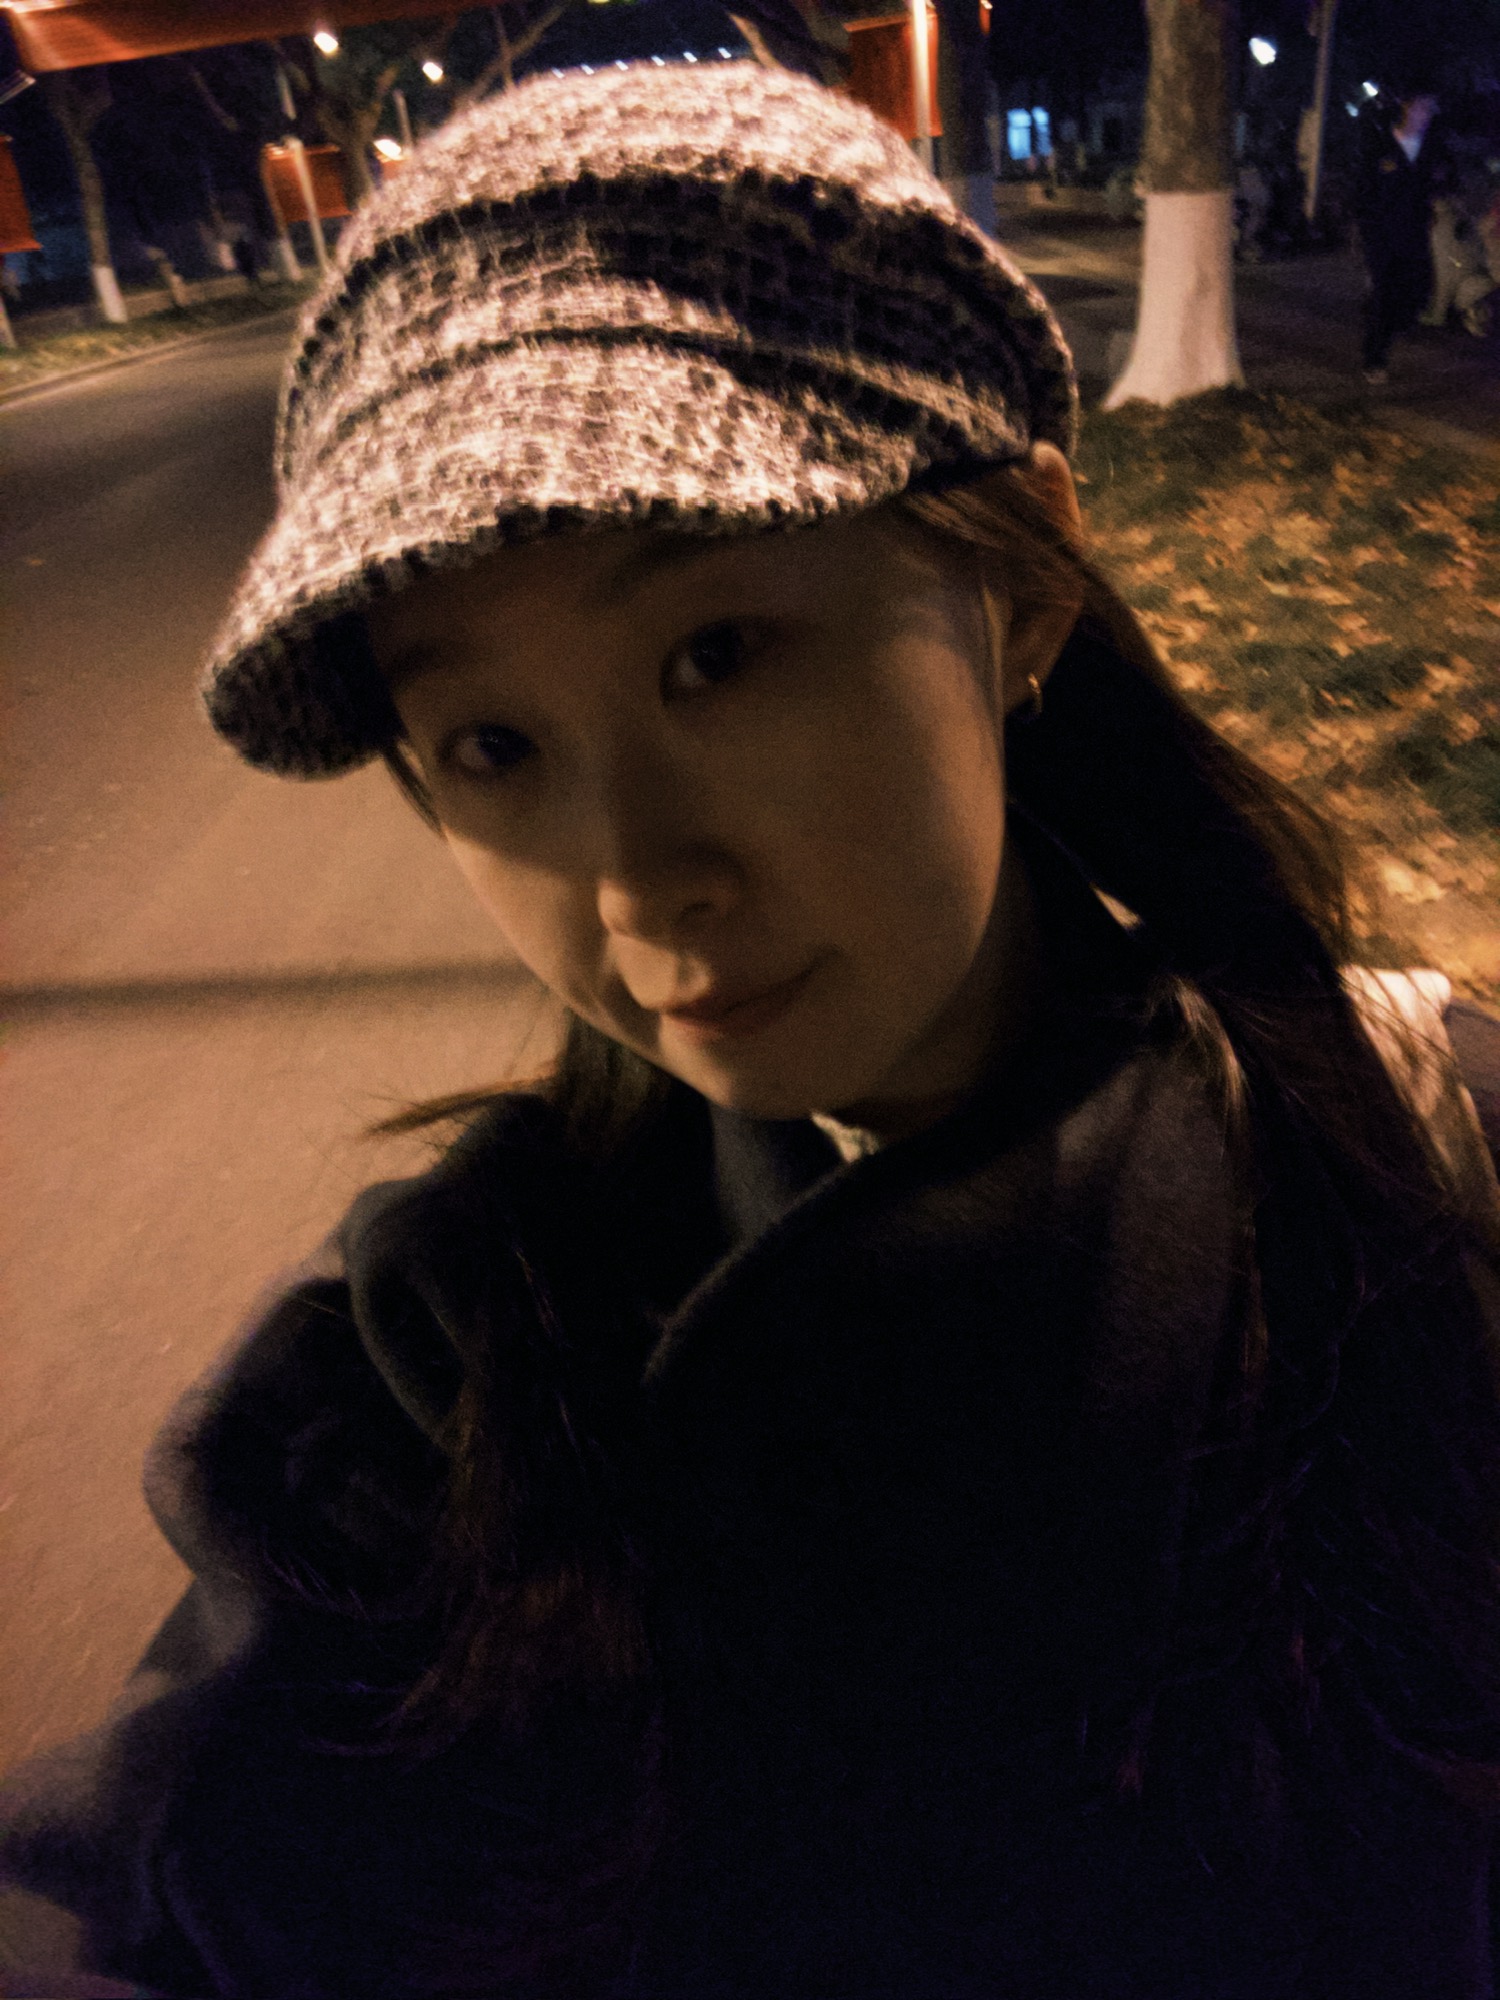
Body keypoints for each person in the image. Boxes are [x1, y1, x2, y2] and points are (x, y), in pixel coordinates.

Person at [4, 60, 1500, 2000]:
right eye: (492, 745)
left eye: (717, 653)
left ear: (1022, 582)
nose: (637, 882)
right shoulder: (452, 1357)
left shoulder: (1428, 1183)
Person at [1352, 83, 1448, 383]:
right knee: (1385, 293)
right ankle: (1374, 359)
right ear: (1408, 107)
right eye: (1422, 108)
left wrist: (1438, 199)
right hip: (1382, 236)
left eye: (1430, 109)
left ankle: (1391, 323)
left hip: (1415, 233)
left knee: (1418, 289)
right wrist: (1365, 228)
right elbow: (1363, 190)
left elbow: (1444, 180)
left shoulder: (1431, 149)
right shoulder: (1382, 147)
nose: (1427, 115)